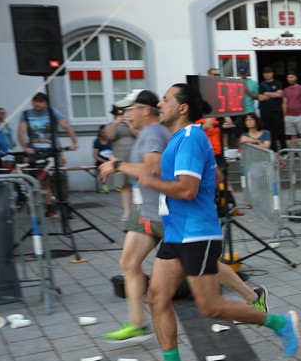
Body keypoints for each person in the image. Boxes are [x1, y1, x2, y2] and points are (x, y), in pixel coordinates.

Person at [133, 83, 299, 361]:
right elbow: (213, 177)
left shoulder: (191, 137)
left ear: (182, 108)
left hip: (197, 234)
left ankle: (280, 323)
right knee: (157, 297)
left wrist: (151, 181)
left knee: (210, 307)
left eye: (166, 99)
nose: (160, 103)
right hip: (175, 233)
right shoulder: (178, 140)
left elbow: (187, 189)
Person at [97, 90, 269, 344]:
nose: (126, 114)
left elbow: (167, 178)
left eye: (130, 109)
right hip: (164, 218)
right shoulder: (170, 135)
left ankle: (274, 316)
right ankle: (146, 333)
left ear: (181, 108)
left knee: (210, 304)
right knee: (147, 284)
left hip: (179, 221)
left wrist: (121, 167)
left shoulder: (173, 135)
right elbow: (206, 175)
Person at [17, 92, 79, 209]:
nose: (37, 104)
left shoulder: (53, 113)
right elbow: (21, 131)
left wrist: (74, 142)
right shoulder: (26, 114)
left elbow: (67, 127)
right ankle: (48, 206)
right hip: (36, 152)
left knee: (58, 177)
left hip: (52, 151)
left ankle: (63, 203)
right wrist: (25, 147)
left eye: (40, 101)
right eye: (35, 101)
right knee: (41, 180)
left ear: (46, 103)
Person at [105, 102, 138, 219]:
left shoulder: (133, 123)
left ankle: (139, 209)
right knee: (123, 185)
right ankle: (127, 211)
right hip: (120, 157)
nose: (122, 116)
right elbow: (110, 136)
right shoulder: (111, 125)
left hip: (134, 156)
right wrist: (115, 123)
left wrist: (129, 124)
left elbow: (138, 135)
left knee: (137, 183)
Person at [257, 67, 285, 152]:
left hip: (277, 111)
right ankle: (273, 151)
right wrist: (273, 94)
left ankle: (284, 151)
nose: (267, 74)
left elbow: (279, 94)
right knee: (268, 132)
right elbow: (261, 98)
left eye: (268, 73)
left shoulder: (278, 83)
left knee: (280, 131)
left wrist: (266, 93)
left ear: (272, 73)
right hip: (265, 112)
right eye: (265, 73)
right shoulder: (261, 84)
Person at [282, 71, 301, 144]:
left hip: (300, 115)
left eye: (292, 77)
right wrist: (285, 116)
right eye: (288, 77)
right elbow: (284, 103)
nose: (290, 79)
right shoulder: (286, 90)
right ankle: (294, 153)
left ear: (296, 78)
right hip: (289, 116)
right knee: (292, 135)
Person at [91, 124, 113, 192]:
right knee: (103, 167)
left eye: (106, 132)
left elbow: (115, 152)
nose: (104, 134)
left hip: (111, 160)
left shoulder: (111, 141)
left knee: (120, 167)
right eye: (103, 132)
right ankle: (104, 185)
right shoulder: (96, 141)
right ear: (100, 133)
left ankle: (120, 185)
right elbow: (95, 156)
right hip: (100, 161)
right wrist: (104, 161)